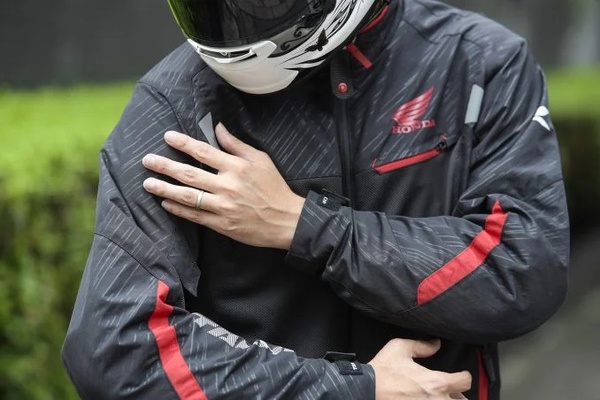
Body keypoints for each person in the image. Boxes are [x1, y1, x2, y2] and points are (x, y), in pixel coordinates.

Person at [62, 0, 570, 399]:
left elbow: (524, 270)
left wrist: (303, 225)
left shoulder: (478, 62)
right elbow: (115, 350)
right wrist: (355, 389)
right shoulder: (175, 102)